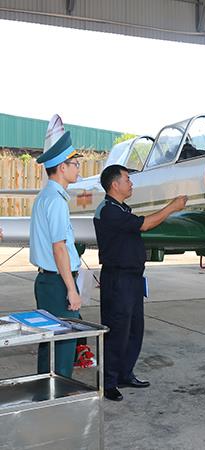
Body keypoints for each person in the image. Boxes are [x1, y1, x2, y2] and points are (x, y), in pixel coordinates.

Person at [94, 164, 187, 401]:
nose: (131, 183)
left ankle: (125, 373)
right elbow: (144, 224)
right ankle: (109, 382)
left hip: (133, 279)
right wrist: (172, 208)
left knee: (135, 329)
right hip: (118, 279)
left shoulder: (122, 208)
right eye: (127, 179)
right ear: (115, 184)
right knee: (117, 331)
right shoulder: (108, 210)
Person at [30, 120, 83, 378]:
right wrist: (72, 289)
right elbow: (59, 248)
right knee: (63, 345)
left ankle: (47, 393)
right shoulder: (56, 201)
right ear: (62, 167)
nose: (78, 169)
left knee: (50, 341)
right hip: (57, 282)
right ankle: (57, 398)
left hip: (49, 280)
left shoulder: (47, 197)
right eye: (75, 164)